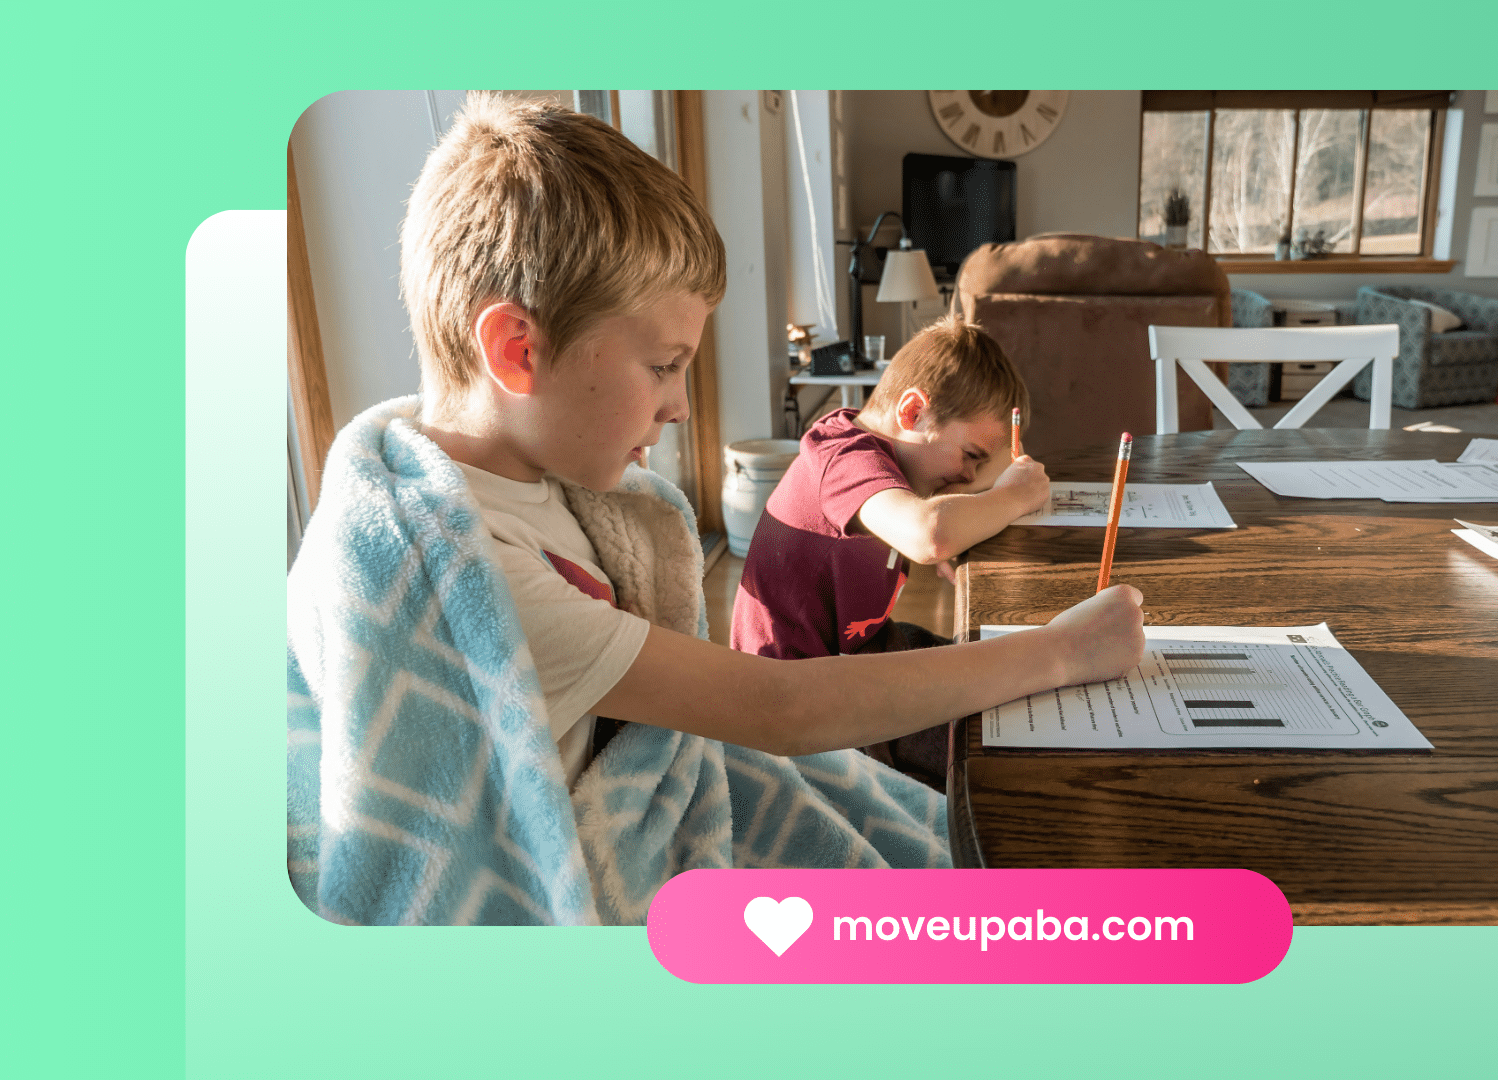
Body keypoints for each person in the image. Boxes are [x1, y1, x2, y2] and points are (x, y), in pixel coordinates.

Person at [286, 94, 1145, 924]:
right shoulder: (469, 574)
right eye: (663, 365)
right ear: (519, 350)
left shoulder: (532, 478)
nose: (681, 409)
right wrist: (1062, 651)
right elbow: (782, 712)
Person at [730, 317, 1045, 783]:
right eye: (971, 457)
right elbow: (928, 533)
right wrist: (1011, 497)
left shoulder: (886, 455)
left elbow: (925, 524)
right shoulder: (842, 458)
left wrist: (962, 525)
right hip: (795, 699)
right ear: (912, 412)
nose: (969, 479)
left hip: (858, 652)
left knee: (1002, 680)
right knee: (987, 749)